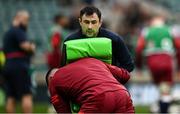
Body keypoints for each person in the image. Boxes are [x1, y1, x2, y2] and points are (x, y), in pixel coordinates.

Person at [46, 58, 134, 113]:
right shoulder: (94, 61)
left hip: (97, 98)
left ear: (50, 78)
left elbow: (63, 111)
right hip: (123, 95)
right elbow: (125, 75)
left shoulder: (54, 80)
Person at [62, 6, 134, 72]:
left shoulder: (114, 40)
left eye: (93, 22)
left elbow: (128, 65)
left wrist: (110, 76)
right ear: (80, 22)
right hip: (79, 85)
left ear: (100, 22)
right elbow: (63, 69)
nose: (90, 27)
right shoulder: (69, 42)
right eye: (86, 22)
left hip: (107, 84)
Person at [135, 14, 180, 113]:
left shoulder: (146, 31)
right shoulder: (170, 30)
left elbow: (138, 49)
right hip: (167, 61)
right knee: (165, 88)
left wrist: (138, 66)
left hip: (152, 62)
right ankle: (164, 108)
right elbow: (179, 47)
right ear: (162, 20)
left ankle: (160, 107)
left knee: (161, 87)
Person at [2, 10, 35, 113]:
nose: (27, 22)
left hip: (8, 65)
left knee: (11, 96)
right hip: (19, 66)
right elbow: (24, 46)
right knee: (26, 94)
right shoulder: (18, 31)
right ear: (18, 18)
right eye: (25, 20)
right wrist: (32, 47)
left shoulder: (7, 33)